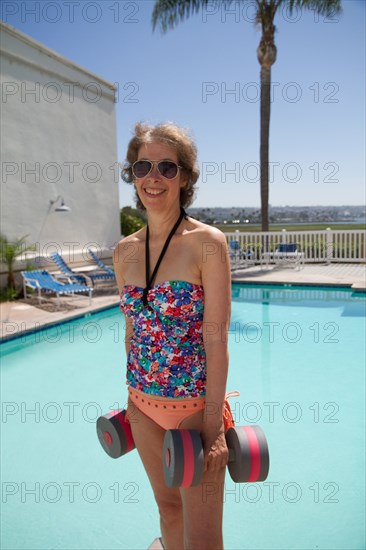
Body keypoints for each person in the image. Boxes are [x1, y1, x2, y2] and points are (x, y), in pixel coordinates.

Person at [114, 122, 231, 550]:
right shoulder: (124, 250)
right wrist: (129, 398)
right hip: (142, 409)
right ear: (132, 175)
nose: (154, 177)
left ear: (185, 176)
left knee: (203, 539)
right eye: (143, 166)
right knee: (168, 512)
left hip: (192, 414)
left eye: (167, 166)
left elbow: (216, 340)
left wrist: (215, 427)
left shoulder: (207, 243)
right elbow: (132, 330)